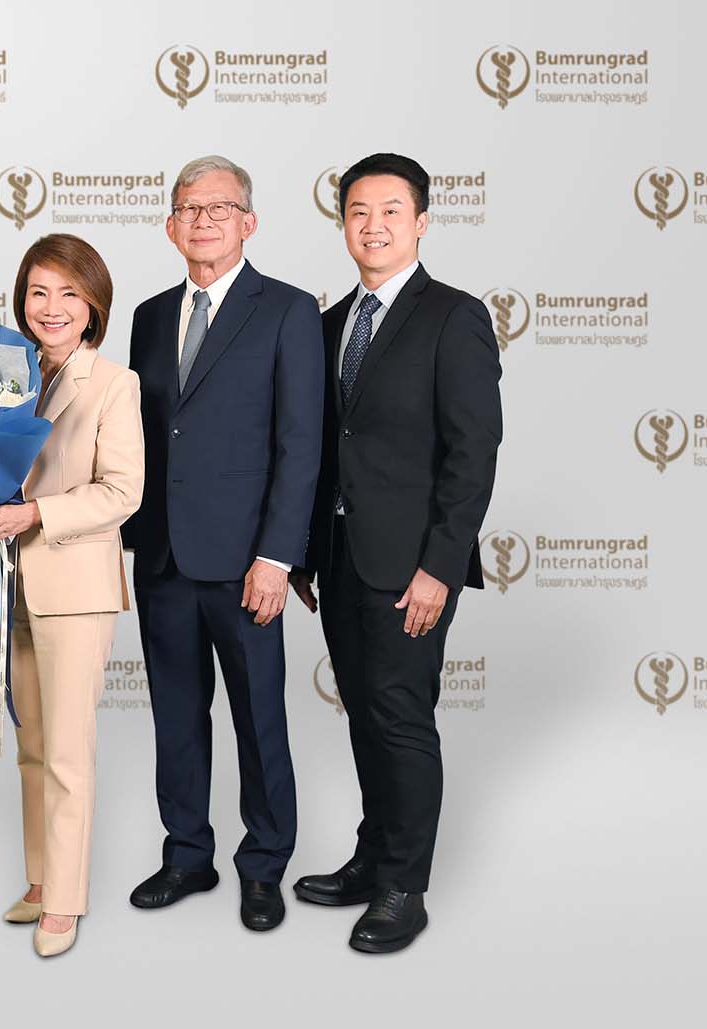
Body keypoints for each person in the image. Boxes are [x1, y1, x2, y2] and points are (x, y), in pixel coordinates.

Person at [289, 152, 502, 954]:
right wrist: (303, 552)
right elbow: (322, 446)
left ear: (421, 221)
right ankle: (373, 857)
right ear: (342, 223)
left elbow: (472, 453)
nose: (372, 225)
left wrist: (440, 567)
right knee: (364, 715)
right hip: (341, 558)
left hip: (412, 566)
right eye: (357, 212)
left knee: (401, 718)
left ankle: (404, 888)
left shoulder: (454, 316)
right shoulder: (330, 322)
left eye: (389, 211)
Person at [122, 155, 324, 931]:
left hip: (247, 564)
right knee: (177, 717)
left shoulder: (287, 310)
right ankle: (187, 854)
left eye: (220, 207)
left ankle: (264, 863)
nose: (203, 220)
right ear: (170, 225)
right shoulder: (148, 315)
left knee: (258, 718)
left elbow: (300, 443)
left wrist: (277, 556)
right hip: (164, 557)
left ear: (249, 221)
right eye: (189, 208)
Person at [0, 234, 143, 957]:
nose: (52, 307)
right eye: (39, 292)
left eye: (70, 293)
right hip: (12, 581)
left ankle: (65, 902)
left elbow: (122, 492)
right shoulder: (8, 374)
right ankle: (41, 880)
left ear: (94, 304)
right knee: (33, 747)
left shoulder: (113, 383)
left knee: (68, 750)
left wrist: (36, 514)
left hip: (74, 585)